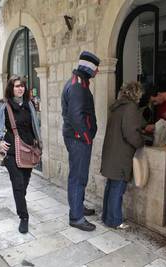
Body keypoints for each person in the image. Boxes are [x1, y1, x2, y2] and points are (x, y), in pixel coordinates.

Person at [0, 76, 42, 234]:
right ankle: (24, 217)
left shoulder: (29, 105)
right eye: (17, 86)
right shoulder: (3, 105)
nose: (20, 89)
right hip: (12, 152)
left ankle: (20, 201)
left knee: (24, 185)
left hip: (28, 150)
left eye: (22, 86)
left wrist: (38, 143)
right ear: (11, 88)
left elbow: (34, 127)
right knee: (18, 184)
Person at [61, 51, 100, 231]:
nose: (97, 71)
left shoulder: (79, 82)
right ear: (89, 68)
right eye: (96, 68)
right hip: (78, 140)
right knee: (78, 177)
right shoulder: (77, 86)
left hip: (77, 139)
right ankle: (76, 217)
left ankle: (78, 207)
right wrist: (87, 138)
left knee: (79, 175)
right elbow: (76, 117)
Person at [100, 81, 144, 229]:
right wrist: (141, 142)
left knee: (111, 186)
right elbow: (130, 133)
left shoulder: (118, 106)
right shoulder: (130, 108)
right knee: (117, 189)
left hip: (112, 153)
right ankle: (114, 220)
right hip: (121, 155)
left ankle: (106, 217)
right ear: (136, 94)